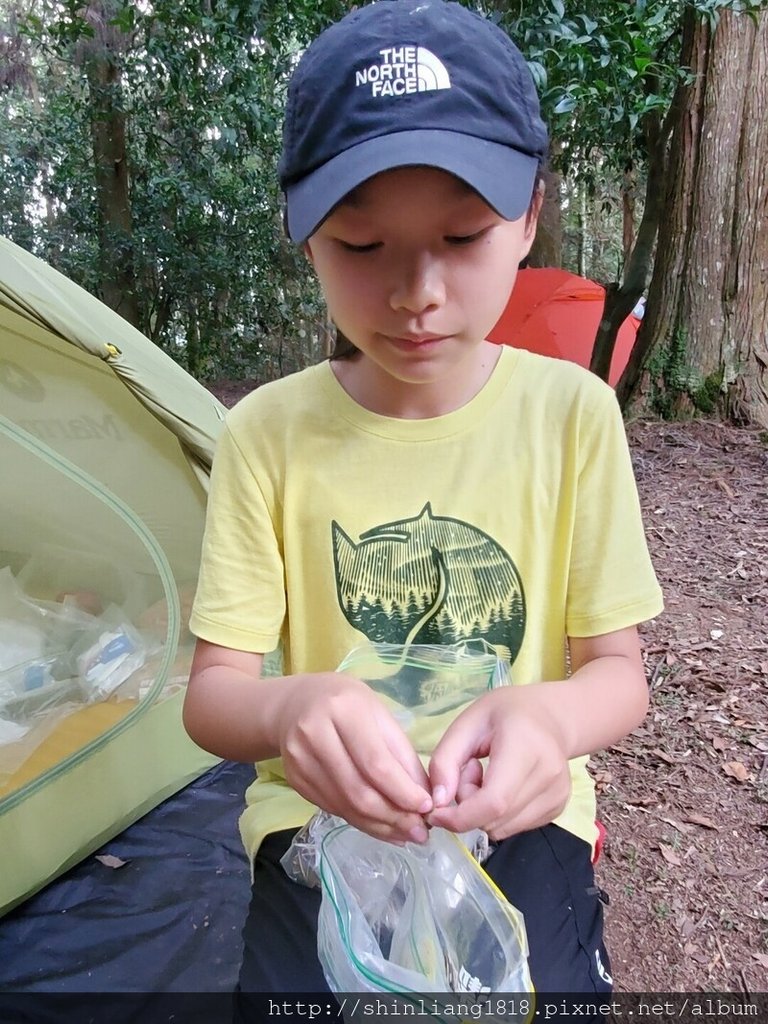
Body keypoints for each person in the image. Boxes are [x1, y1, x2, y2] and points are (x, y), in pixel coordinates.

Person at [184, 0, 664, 999]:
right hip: (320, 826)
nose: (416, 291)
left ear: (529, 216)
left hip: (523, 814)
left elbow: (618, 674)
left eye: (462, 234)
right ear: (303, 233)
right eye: (362, 246)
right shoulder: (266, 436)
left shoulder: (571, 418)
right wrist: (294, 706)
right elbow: (214, 696)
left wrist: (550, 721)